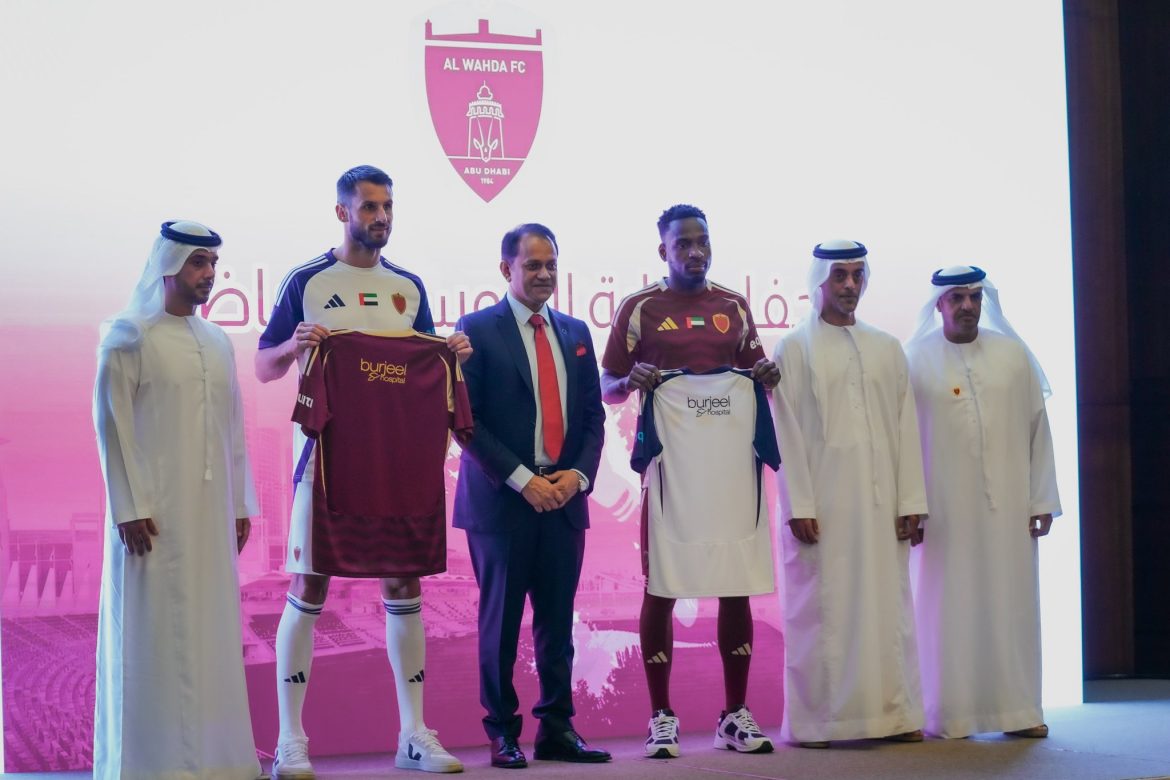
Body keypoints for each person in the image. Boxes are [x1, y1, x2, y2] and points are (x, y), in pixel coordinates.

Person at [256, 165, 471, 777]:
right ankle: (290, 740)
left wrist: (453, 354)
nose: (381, 217)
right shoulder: (307, 280)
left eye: (388, 207)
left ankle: (413, 734)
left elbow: (429, 369)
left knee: (404, 586)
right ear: (342, 212)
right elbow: (265, 367)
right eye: (370, 207)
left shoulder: (408, 286)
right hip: (326, 460)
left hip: (399, 463)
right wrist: (293, 345)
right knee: (309, 586)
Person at [600, 204, 780, 759]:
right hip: (669, 468)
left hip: (729, 467)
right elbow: (606, 385)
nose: (696, 252)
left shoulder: (733, 306)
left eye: (703, 241)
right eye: (683, 244)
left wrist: (767, 375)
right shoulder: (639, 308)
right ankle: (661, 716)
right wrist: (629, 380)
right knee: (663, 583)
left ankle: (734, 715)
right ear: (664, 250)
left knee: (734, 577)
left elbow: (757, 372)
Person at [93, 220, 261, 779]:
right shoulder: (128, 336)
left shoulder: (217, 342)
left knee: (211, 635)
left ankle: (217, 763)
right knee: (151, 641)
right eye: (197, 263)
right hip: (151, 520)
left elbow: (233, 430)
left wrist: (240, 504)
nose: (208, 274)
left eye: (213, 264)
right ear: (168, 265)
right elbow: (111, 425)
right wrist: (129, 508)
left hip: (209, 518)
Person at [452, 223, 609, 769]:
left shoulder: (575, 331)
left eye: (551, 265)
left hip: (564, 499)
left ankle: (557, 729)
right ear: (506, 269)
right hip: (503, 501)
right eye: (532, 265)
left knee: (557, 623)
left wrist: (577, 477)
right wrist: (524, 480)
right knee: (501, 624)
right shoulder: (476, 328)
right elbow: (466, 422)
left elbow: (593, 418)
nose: (544, 275)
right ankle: (502, 733)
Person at [770, 239, 928, 748]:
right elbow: (786, 432)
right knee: (823, 613)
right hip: (824, 507)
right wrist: (799, 505)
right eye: (839, 275)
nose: (850, 285)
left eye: (858, 275)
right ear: (819, 280)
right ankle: (820, 723)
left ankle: (895, 716)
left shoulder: (886, 347)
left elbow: (905, 427)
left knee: (889, 610)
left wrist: (912, 502)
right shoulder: (794, 347)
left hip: (882, 506)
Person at [905, 265, 1060, 739]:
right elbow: (902, 442)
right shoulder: (914, 361)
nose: (967, 306)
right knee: (948, 610)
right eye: (957, 298)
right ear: (939, 305)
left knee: (1012, 607)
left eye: (974, 297)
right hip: (942, 514)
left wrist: (1041, 498)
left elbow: (1037, 429)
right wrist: (909, 504)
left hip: (1009, 510)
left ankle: (1020, 711)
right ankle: (951, 714)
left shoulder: (1012, 355)